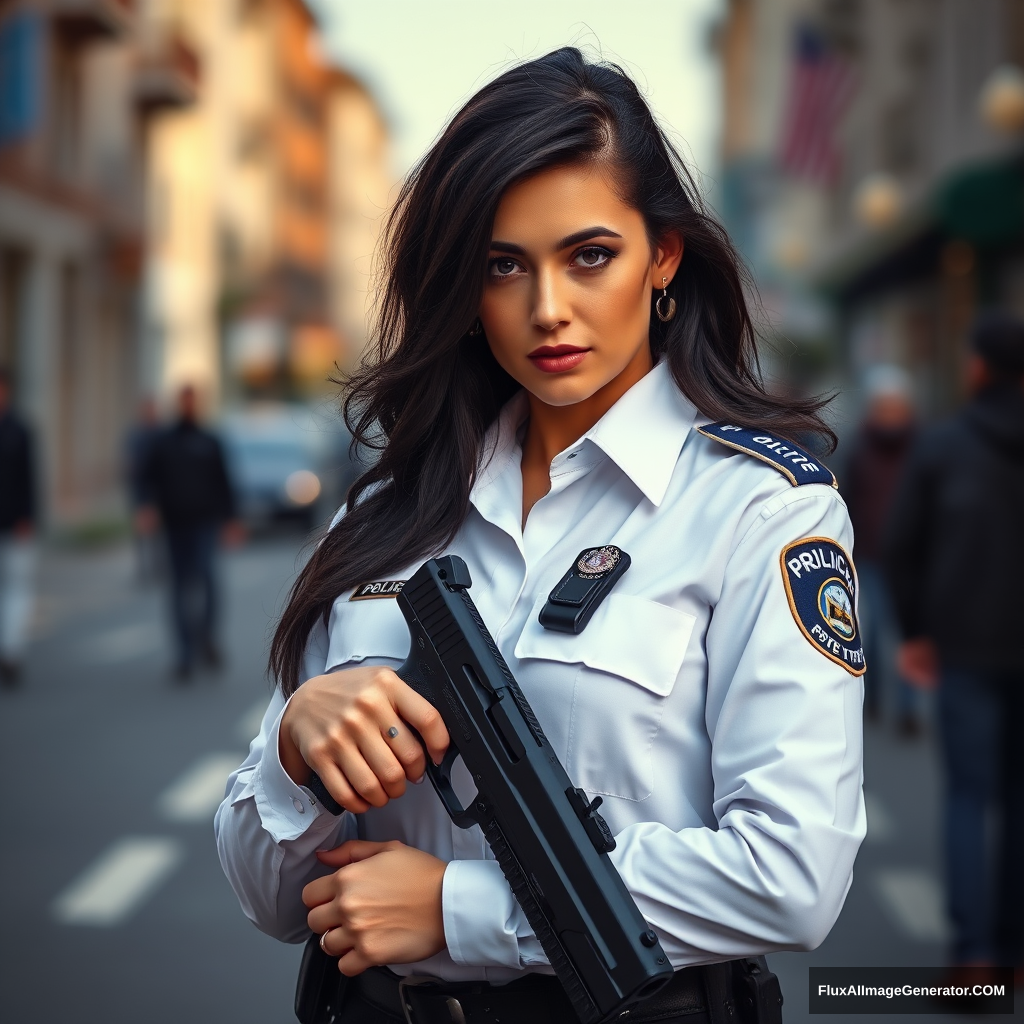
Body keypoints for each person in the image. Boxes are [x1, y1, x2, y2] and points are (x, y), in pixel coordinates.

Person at [216, 49, 865, 1024]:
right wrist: (296, 752)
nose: (547, 308)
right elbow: (270, 898)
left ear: (664, 256)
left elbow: (788, 873)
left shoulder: (759, 509)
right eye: (502, 266)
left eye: (588, 255)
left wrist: (454, 907)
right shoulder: (384, 515)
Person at [884, 311, 1024, 988]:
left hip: (965, 645)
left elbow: (903, 547)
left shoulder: (944, 446)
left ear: (976, 369)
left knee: (970, 796)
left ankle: (973, 956)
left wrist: (912, 632)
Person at [140, 384, 241, 681]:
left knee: (207, 580)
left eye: (193, 402)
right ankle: (184, 654)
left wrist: (231, 520)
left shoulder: (210, 441)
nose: (189, 406)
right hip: (173, 526)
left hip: (205, 524)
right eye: (184, 401)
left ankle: (206, 637)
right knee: (178, 588)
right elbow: (147, 479)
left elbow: (224, 483)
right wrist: (146, 507)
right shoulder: (163, 442)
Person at [841, 365, 920, 734]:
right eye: (883, 406)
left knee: (909, 633)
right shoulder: (860, 450)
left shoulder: (923, 449)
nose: (889, 413)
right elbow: (847, 501)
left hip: (914, 558)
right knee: (872, 632)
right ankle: (872, 698)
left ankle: (908, 710)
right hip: (870, 555)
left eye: (895, 406)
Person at [0, 367, 35, 687]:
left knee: (16, 589)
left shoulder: (19, 431)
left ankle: (10, 651)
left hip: (13, 525)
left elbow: (29, 478)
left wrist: (28, 518)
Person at [125, 395, 162, 583]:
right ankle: (143, 569)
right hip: (140, 492)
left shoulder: (162, 434)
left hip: (159, 492)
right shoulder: (135, 435)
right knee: (141, 533)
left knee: (158, 533)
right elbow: (130, 464)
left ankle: (158, 567)